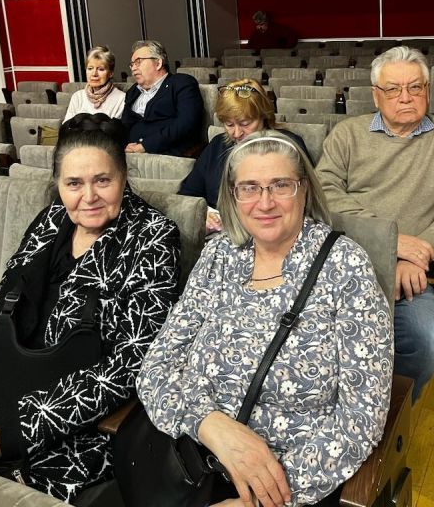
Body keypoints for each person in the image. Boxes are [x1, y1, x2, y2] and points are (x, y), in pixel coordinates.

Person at [138, 131, 393, 507]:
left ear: (304, 190)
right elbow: (156, 367)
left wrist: (261, 500)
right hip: (191, 461)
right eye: (250, 188)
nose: (265, 202)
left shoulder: (345, 266)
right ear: (233, 196)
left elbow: (361, 417)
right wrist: (210, 425)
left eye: (281, 185)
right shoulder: (219, 255)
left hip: (288, 484)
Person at [0, 114, 180, 502]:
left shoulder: (153, 238)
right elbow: (1, 299)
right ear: (59, 184)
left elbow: (131, 364)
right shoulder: (51, 218)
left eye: (102, 181)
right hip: (2, 382)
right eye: (73, 183)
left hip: (70, 428)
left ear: (123, 177)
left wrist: (13, 433)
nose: (88, 197)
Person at [316, 46, 434, 401]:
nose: (405, 97)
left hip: (408, 271)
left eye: (415, 87)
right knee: (316, 341)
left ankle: (387, 411)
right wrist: (391, 243)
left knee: (430, 344)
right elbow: (324, 195)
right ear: (376, 95)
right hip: (343, 261)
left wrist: (419, 251)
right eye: (393, 89)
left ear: (428, 90)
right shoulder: (347, 134)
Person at [179, 79, 310, 233]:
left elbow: (307, 200)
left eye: (245, 124)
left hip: (273, 229)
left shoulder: (288, 145)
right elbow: (188, 194)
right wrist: (204, 213)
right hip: (219, 232)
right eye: (229, 124)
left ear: (263, 116)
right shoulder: (217, 145)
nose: (236, 133)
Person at [122, 39, 203, 156]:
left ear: (158, 63)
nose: (133, 68)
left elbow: (185, 124)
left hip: (166, 154)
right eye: (132, 64)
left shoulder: (181, 83)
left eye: (138, 62)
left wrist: (145, 146)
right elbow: (125, 125)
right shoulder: (133, 91)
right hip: (129, 153)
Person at [63, 45, 125, 122]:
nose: (94, 74)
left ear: (110, 73)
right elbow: (66, 127)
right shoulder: (77, 97)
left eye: (101, 69)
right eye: (90, 68)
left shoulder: (121, 99)